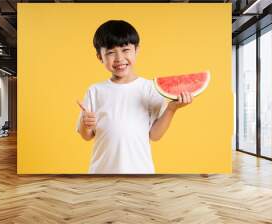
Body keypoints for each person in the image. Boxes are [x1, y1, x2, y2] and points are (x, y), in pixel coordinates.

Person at [77, 20, 193, 174]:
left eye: (126, 50)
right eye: (111, 52)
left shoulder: (150, 88)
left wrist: (172, 109)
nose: (119, 58)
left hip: (140, 172)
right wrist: (85, 123)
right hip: (101, 172)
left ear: (137, 50)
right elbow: (86, 135)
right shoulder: (95, 90)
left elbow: (155, 135)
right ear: (100, 57)